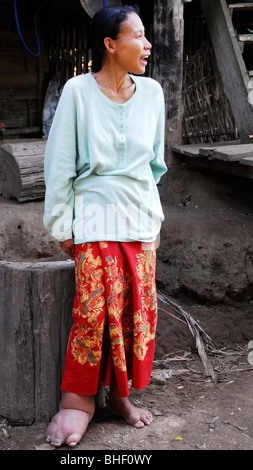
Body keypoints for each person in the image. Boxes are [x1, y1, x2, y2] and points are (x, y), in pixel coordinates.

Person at [43, 4, 167, 447]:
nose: (147, 44)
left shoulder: (152, 93)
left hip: (140, 219)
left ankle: (120, 396)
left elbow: (155, 164)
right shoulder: (78, 91)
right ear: (111, 45)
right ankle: (77, 403)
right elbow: (58, 164)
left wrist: (150, 218)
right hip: (93, 218)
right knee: (93, 312)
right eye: (137, 36)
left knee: (138, 314)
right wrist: (61, 225)